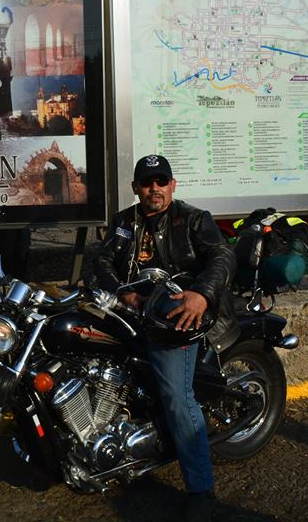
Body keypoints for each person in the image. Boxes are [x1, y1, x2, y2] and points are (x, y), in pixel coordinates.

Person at [93, 155, 235, 521]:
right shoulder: (126, 221)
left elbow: (221, 255)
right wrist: (122, 291)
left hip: (177, 316)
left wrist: (202, 293)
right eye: (146, 183)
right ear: (135, 187)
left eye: (161, 181)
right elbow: (103, 261)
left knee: (176, 394)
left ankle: (201, 488)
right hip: (134, 313)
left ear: (173, 184)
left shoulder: (192, 219)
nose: (153, 189)